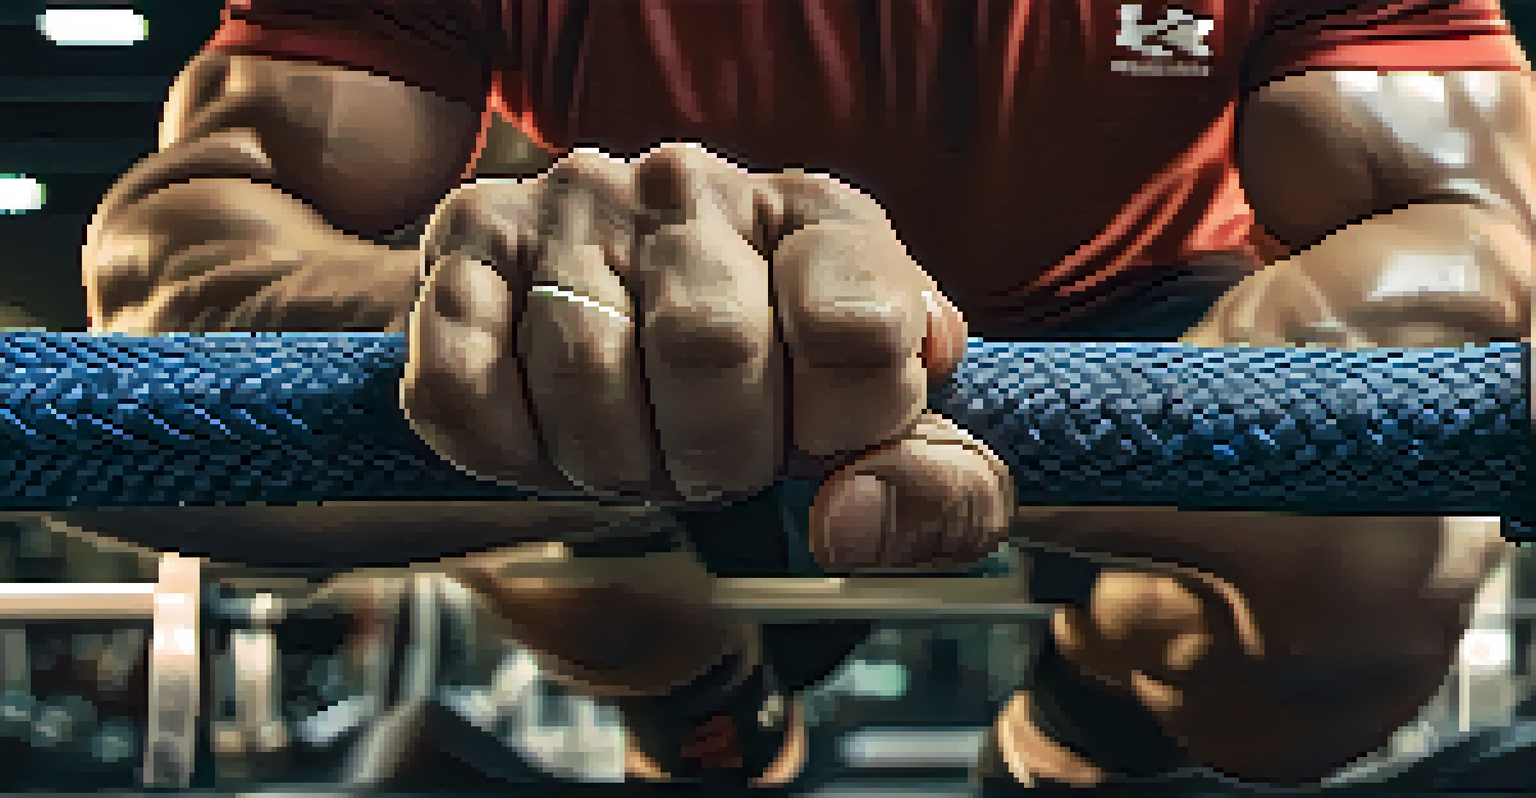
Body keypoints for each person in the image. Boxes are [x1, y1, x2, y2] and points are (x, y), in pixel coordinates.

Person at [77, 0, 1536, 792]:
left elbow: (1475, 247)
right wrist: (495, 335)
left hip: (1128, 341)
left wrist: (916, 394)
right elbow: (175, 272)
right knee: (522, 419)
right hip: (672, 331)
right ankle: (703, 723)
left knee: (1388, 547)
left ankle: (1080, 745)